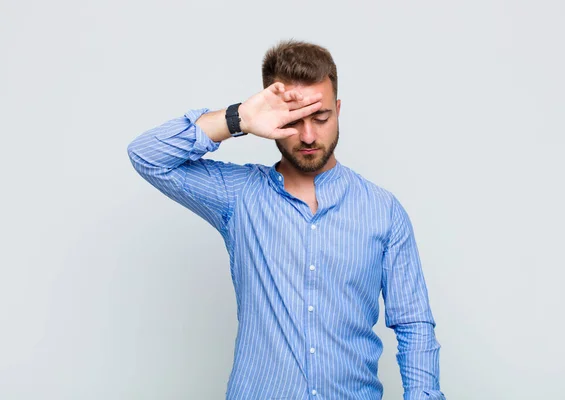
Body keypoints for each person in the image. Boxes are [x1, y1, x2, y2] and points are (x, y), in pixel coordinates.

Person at [127, 39, 445, 400]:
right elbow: (147, 156)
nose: (308, 136)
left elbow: (414, 326)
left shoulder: (383, 211)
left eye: (321, 117)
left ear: (338, 109)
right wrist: (238, 119)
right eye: (294, 121)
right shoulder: (239, 196)